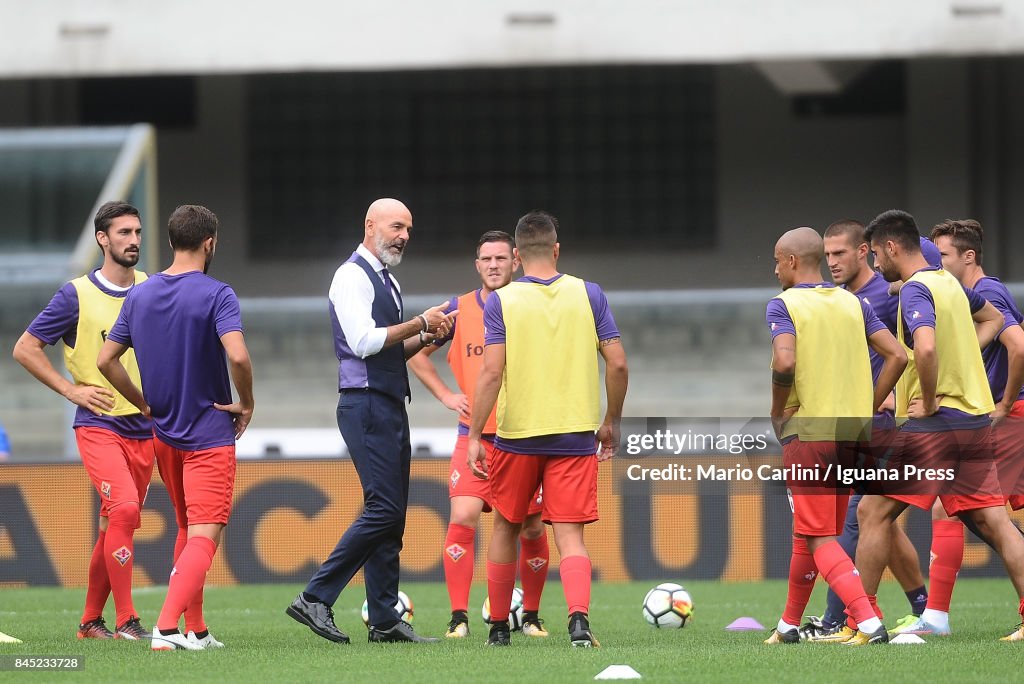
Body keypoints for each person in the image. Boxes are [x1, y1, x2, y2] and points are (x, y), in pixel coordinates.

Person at [286, 198, 454, 645]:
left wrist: (428, 335)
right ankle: (315, 596)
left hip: (388, 403)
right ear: (370, 225)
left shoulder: (388, 281)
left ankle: (384, 620)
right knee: (383, 510)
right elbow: (362, 342)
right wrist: (420, 320)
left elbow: (389, 350)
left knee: (392, 516)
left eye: (408, 230)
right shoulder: (350, 276)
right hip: (364, 405)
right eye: (396, 226)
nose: (403, 236)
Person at [855, 209, 1024, 642]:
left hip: (938, 423)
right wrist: (960, 355)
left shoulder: (916, 290)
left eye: (875, 255)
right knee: (993, 522)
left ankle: (864, 622)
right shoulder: (949, 283)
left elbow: (925, 350)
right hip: (973, 419)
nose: (875, 266)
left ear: (892, 247)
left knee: (872, 511)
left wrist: (928, 401)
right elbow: (995, 321)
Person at [467, 210, 628, 648]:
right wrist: (610, 420)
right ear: (557, 250)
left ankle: (499, 628)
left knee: (505, 527)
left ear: (516, 255)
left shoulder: (502, 300)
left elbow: (491, 372)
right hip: (575, 435)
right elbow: (617, 362)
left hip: (517, 436)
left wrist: (477, 435)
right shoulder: (589, 294)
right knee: (570, 535)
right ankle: (579, 624)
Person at [97, 204, 254, 651]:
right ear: (210, 243)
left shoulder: (139, 295)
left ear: (170, 242)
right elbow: (238, 356)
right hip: (208, 435)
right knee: (205, 535)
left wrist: (143, 403)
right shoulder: (217, 293)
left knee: (187, 528)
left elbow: (106, 360)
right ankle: (166, 629)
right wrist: (247, 403)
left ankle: (196, 629)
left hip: (164, 434)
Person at [12, 200, 154, 641]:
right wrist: (71, 390)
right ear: (102, 239)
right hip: (100, 424)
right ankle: (129, 620)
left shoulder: (151, 287)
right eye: (123, 233)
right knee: (125, 509)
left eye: (137, 232)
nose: (133, 240)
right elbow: (26, 348)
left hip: (146, 425)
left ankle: (90, 623)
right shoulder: (75, 294)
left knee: (115, 523)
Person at [763, 227, 907, 646]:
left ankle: (867, 620)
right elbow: (897, 354)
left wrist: (777, 411)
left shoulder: (783, 305)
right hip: (852, 432)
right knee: (809, 533)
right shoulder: (854, 302)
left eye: (776, 261)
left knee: (820, 535)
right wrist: (869, 402)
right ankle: (789, 626)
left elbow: (785, 361)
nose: (775, 269)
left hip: (809, 431)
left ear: (791, 261)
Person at [407, 230, 551, 639]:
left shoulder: (532, 306)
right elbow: (416, 354)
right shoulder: (458, 310)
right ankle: (458, 618)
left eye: (501, 259)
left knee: (531, 528)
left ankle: (533, 616)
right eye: (486, 259)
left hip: (525, 436)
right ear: (477, 265)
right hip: (474, 437)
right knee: (464, 517)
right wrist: (447, 395)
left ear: (516, 262)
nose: (493, 265)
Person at [805, 220, 931, 641]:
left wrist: (890, 395)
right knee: (882, 523)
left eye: (840, 253)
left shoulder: (890, 295)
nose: (832, 262)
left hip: (880, 425)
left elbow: (917, 348)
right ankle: (923, 608)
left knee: (856, 520)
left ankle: (836, 619)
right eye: (827, 255)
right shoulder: (838, 301)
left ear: (864, 252)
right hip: (846, 426)